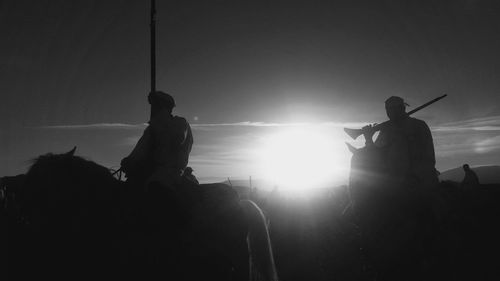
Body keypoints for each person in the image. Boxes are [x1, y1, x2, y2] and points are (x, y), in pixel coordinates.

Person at [121, 91, 193, 189]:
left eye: (156, 105)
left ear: (165, 107)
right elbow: (141, 148)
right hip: (149, 170)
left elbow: (177, 139)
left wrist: (159, 122)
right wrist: (129, 160)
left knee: (155, 188)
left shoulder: (180, 123)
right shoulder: (151, 128)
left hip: (170, 170)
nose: (153, 108)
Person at [363, 96, 438, 189]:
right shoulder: (385, 131)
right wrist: (368, 139)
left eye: (395, 108)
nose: (391, 112)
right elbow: (375, 157)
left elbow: (429, 156)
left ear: (403, 108)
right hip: (391, 183)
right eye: (389, 109)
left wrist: (416, 176)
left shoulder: (419, 125)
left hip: (420, 182)